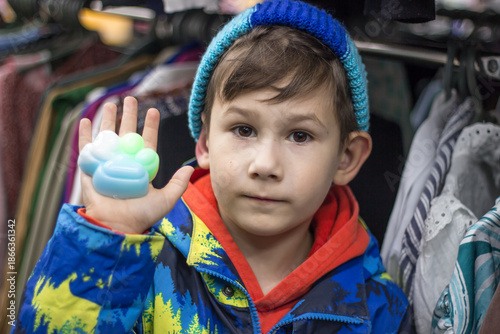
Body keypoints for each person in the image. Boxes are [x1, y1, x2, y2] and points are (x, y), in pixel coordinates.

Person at [14, 0, 410, 333]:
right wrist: (105, 241)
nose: (265, 164)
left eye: (300, 136)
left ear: (347, 157)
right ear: (204, 143)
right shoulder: (140, 259)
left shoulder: (378, 308)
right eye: (243, 129)